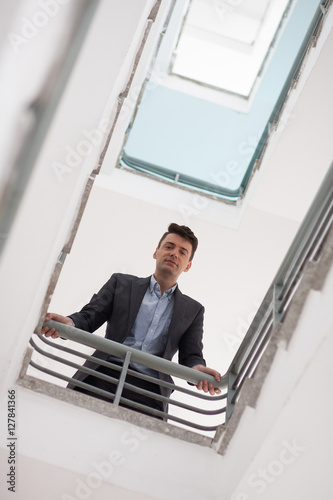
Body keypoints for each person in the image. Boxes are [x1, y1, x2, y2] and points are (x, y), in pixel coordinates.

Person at [41, 223, 221, 418]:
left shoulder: (193, 310)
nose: (174, 254)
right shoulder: (121, 283)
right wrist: (69, 323)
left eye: (182, 252)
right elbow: (89, 316)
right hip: (103, 374)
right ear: (156, 252)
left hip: (150, 392)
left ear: (188, 265)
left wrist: (198, 371)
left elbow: (191, 356)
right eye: (169, 247)